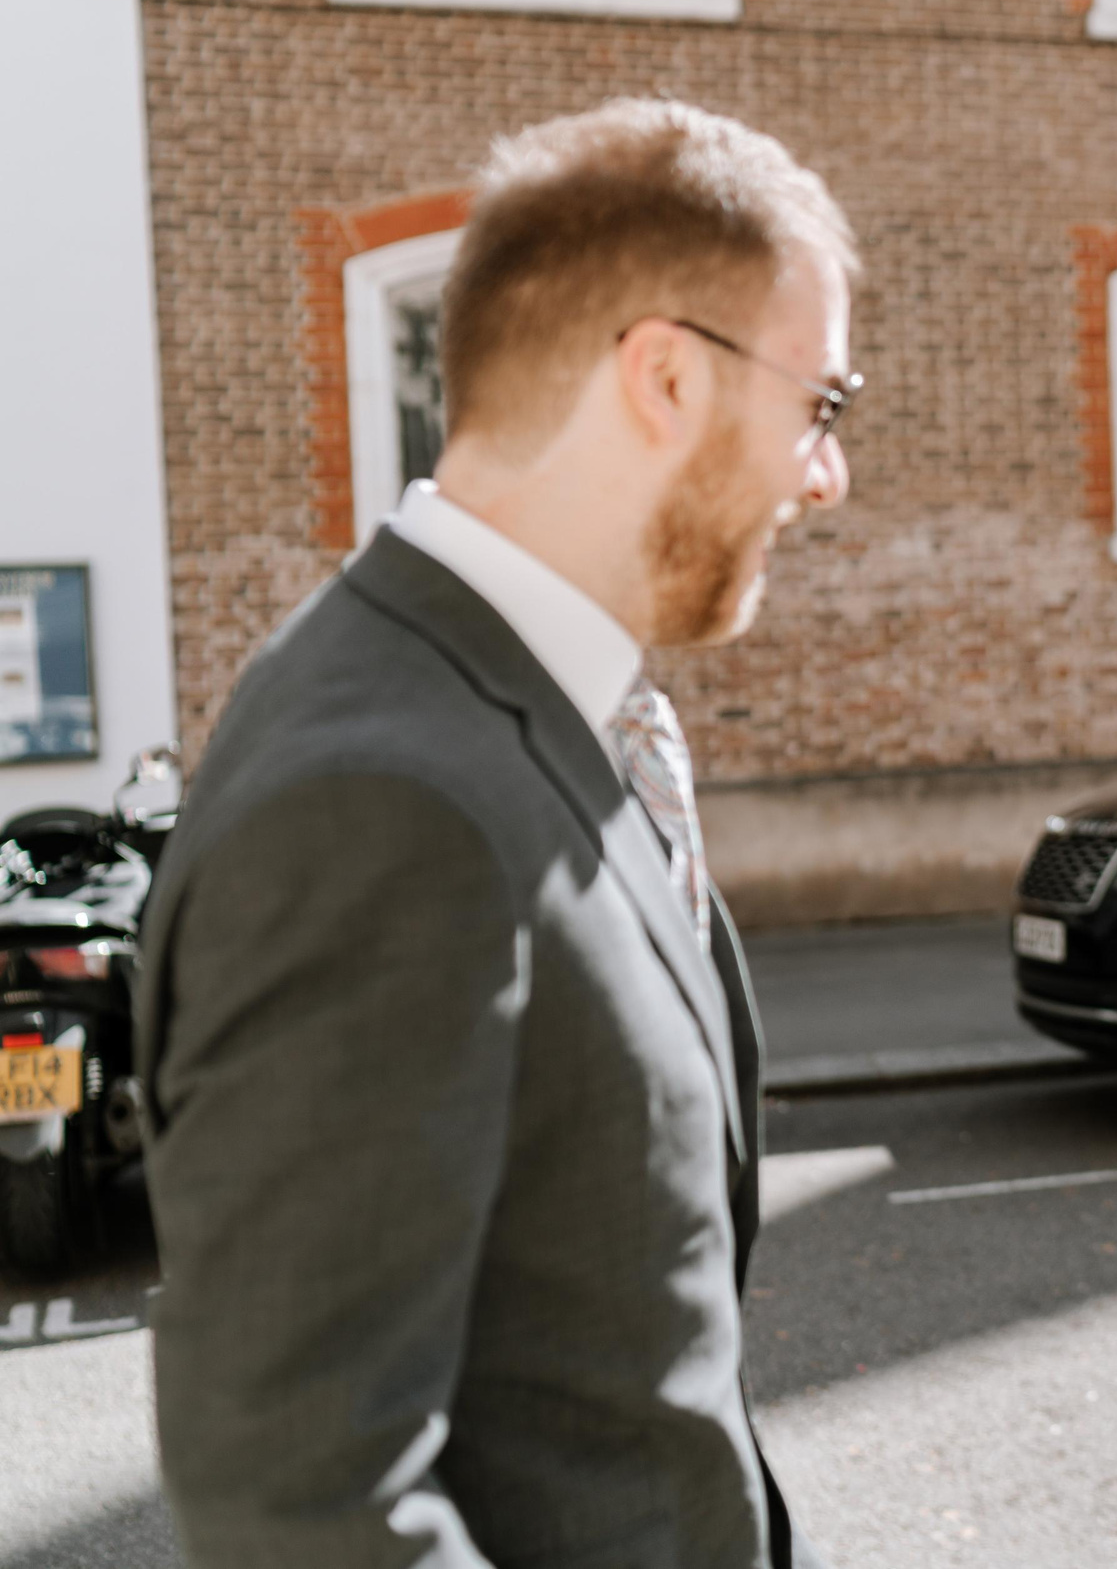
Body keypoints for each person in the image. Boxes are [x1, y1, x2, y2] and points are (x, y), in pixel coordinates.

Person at [136, 99, 858, 1567]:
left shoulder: (526, 706)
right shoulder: (381, 804)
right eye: (820, 407)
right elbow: (304, 1507)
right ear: (663, 376)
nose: (823, 476)